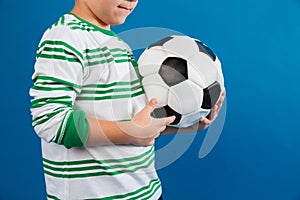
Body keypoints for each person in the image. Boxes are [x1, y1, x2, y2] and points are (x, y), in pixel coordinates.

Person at [29, 0, 225, 199]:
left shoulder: (120, 46)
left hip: (146, 193)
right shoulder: (66, 37)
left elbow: (135, 125)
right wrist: (129, 132)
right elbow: (49, 121)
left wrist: (191, 125)